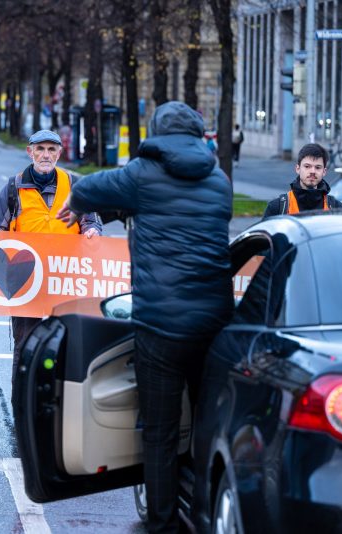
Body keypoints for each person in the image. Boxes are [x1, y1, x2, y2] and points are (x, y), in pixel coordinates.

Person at [57, 101, 233, 533]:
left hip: (161, 325)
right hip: (214, 322)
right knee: (209, 424)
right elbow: (176, 213)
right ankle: (210, 515)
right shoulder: (220, 179)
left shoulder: (141, 175)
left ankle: (163, 523)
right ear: (197, 134)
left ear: (155, 132)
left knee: (160, 430)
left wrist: (78, 204)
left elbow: (92, 188)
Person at [0, 129, 102, 383]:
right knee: (25, 347)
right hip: (26, 282)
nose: (45, 155)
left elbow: (91, 221)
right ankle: (21, 406)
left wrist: (92, 231)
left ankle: (59, 406)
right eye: (40, 149)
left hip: (65, 280)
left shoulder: (75, 185)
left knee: (66, 343)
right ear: (29, 152)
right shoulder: (13, 188)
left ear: (59, 154)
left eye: (52, 150)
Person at [262, 143, 342, 218]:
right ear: (298, 169)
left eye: (318, 167)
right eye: (307, 166)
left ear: (324, 172)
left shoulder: (337, 209)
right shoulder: (277, 208)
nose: (312, 171)